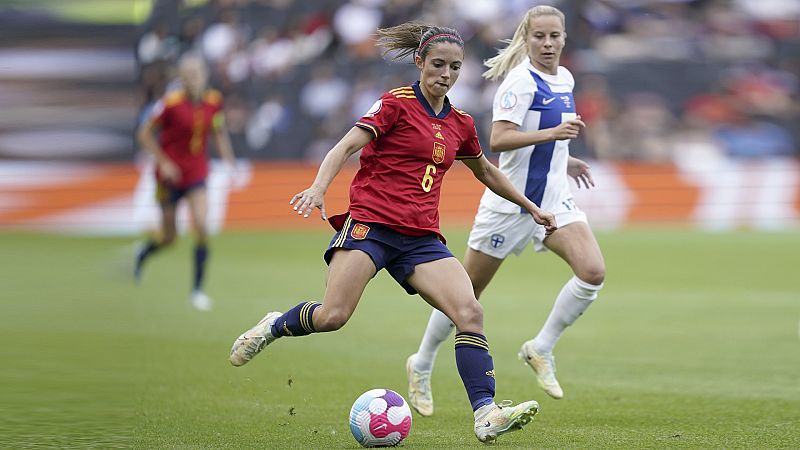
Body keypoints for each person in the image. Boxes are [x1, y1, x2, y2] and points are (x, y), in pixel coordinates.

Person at [228, 23, 557, 443]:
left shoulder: (461, 122)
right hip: (372, 228)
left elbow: (487, 171)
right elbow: (344, 147)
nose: (446, 74)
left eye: (455, 67)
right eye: (438, 64)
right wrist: (318, 187)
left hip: (420, 239)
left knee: (470, 312)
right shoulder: (395, 104)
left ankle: (486, 412)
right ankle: (273, 326)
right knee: (333, 316)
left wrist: (531, 208)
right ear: (419, 62)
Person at [406, 5, 606, 417]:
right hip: (509, 205)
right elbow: (498, 140)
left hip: (552, 199)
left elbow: (546, 142)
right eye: (540, 37)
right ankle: (422, 361)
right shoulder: (519, 82)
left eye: (555, 36)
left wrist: (563, 158)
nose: (548, 44)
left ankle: (540, 348)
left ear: (565, 37)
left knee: (592, 272)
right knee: (465, 295)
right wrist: (554, 133)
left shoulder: (564, 78)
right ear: (527, 38)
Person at [135, 53, 237, 311]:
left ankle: (197, 290)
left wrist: (228, 159)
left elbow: (218, 131)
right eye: (189, 74)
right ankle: (143, 254)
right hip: (169, 177)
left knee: (202, 227)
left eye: (198, 73)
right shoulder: (169, 103)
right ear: (181, 78)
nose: (194, 79)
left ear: (204, 75)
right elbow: (144, 134)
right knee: (169, 238)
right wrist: (163, 162)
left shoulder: (214, 101)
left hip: (196, 174)